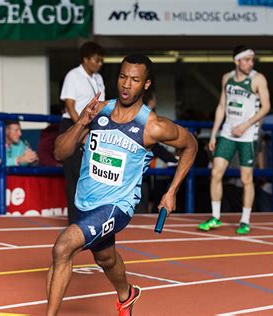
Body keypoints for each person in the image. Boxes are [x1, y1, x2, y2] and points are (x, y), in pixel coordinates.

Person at [47, 54, 197, 316]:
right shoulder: (99, 110)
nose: (127, 85)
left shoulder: (153, 126)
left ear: (146, 85)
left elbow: (191, 145)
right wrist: (82, 121)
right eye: (123, 77)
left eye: (135, 80)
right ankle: (127, 295)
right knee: (105, 258)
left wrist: (171, 192)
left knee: (63, 247)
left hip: (118, 206)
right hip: (86, 201)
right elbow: (60, 153)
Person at [198, 45, 270, 235]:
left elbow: (266, 106)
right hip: (228, 132)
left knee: (246, 178)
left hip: (247, 134)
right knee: (216, 173)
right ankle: (215, 217)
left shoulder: (257, 79)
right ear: (237, 61)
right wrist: (214, 133)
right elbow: (222, 106)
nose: (250, 63)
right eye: (247, 59)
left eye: (252, 60)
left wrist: (246, 125)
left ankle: (245, 220)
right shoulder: (227, 78)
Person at [59, 41, 105, 224]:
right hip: (73, 124)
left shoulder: (98, 78)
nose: (99, 63)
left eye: (101, 60)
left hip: (91, 128)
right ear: (85, 59)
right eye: (96, 60)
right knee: (74, 174)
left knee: (91, 173)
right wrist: (80, 128)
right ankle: (75, 220)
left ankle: (90, 215)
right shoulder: (74, 76)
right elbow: (70, 105)